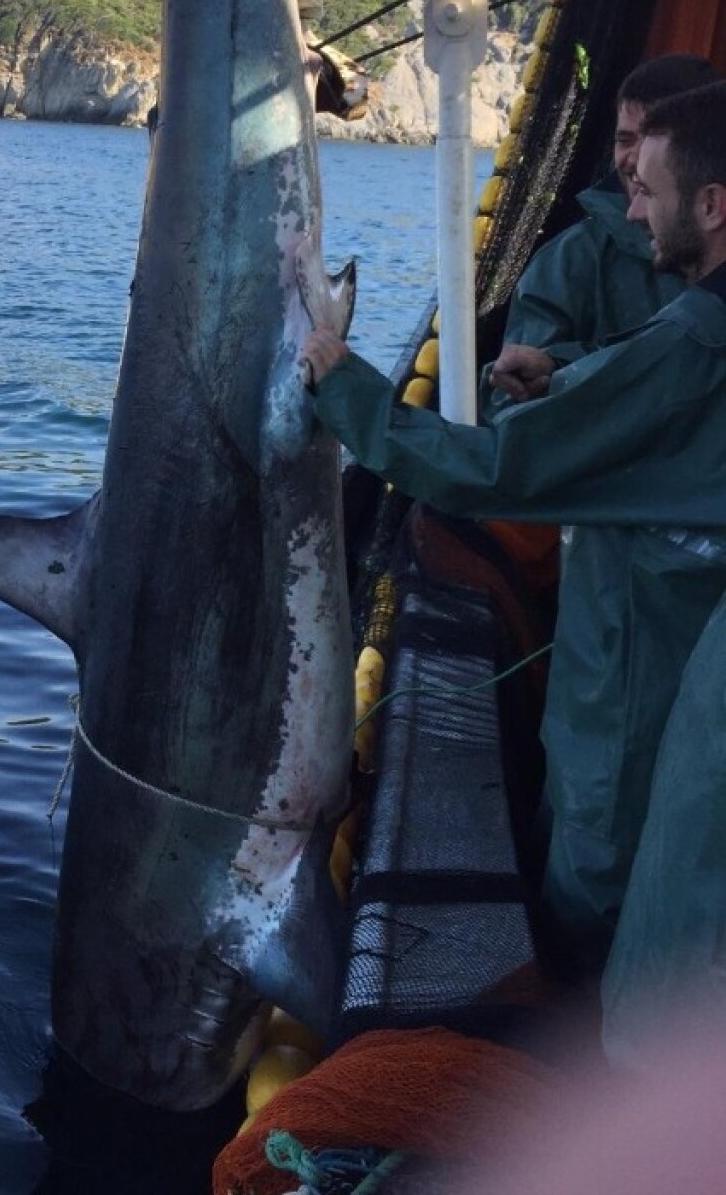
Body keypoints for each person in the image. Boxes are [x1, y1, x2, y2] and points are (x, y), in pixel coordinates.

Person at [300, 81, 726, 1012]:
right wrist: (572, 375)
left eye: (648, 187)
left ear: (712, 204)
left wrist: (343, 387)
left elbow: (487, 470)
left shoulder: (697, 340)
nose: (632, 203)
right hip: (668, 675)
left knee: (600, 899)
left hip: (636, 693)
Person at [487, 52, 719, 410]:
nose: (636, 158)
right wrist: (554, 369)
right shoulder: (568, 263)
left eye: (655, 138)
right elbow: (513, 408)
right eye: (625, 139)